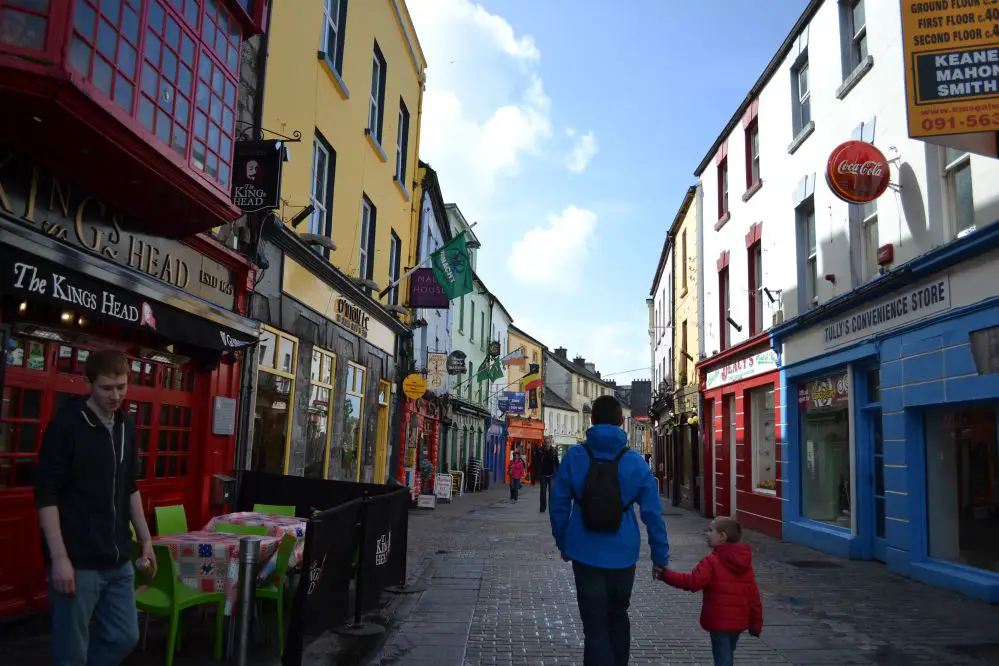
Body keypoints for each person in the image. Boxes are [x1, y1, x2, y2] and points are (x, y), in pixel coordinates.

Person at [35, 350, 155, 666]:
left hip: (118, 558)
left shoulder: (126, 426)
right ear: (90, 383)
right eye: (107, 388)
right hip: (77, 561)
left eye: (121, 386)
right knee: (70, 651)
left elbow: (130, 487)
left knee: (125, 636)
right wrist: (59, 558)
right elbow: (46, 497)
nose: (116, 395)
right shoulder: (66, 426)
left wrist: (146, 539)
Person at [550, 395, 669, 666]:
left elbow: (558, 503)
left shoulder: (575, 456)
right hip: (623, 554)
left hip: (584, 551)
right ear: (620, 422)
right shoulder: (636, 462)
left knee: (594, 625)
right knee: (618, 616)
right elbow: (653, 515)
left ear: (591, 420)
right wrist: (660, 557)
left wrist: (563, 542)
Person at [655, 516, 763, 666]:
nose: (706, 533)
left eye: (710, 530)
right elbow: (753, 597)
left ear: (722, 536)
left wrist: (665, 574)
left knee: (722, 658)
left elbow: (692, 582)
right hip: (738, 622)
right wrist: (756, 624)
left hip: (719, 622)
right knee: (727, 654)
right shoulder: (745, 565)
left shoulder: (712, 561)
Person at [538, 438, 560, 513]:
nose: (547, 444)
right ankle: (542, 507)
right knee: (543, 492)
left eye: (549, 443)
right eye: (546, 442)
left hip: (551, 475)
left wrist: (558, 473)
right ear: (544, 443)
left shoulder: (553, 451)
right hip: (543, 475)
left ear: (550, 443)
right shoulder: (540, 451)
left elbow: (556, 463)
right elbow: (536, 462)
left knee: (551, 493)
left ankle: (552, 508)